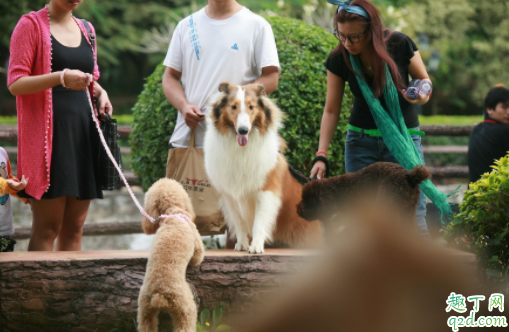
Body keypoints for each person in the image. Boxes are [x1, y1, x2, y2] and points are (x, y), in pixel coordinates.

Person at [310, 0, 438, 239]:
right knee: (362, 218)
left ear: (372, 30)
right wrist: (321, 154)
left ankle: (418, 274)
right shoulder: (339, 58)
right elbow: (331, 110)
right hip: (361, 144)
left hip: (403, 140)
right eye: (341, 36)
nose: (347, 43)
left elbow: (425, 81)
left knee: (412, 214)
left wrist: (420, 96)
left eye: (355, 37)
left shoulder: (399, 44)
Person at [7, 0, 113, 251]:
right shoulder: (30, 25)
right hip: (48, 142)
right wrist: (61, 77)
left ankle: (68, 291)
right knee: (47, 228)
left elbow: (90, 77)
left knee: (75, 227)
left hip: (82, 136)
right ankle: (37, 290)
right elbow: (15, 82)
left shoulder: (87, 29)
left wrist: (101, 91)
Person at [162, 0, 280, 150]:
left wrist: (235, 99)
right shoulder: (186, 26)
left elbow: (271, 77)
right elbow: (170, 77)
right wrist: (184, 107)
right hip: (189, 141)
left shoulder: (257, 25)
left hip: (237, 146)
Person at [468, 85, 509, 183]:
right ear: (489, 109)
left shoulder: (476, 130)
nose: (508, 112)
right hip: (496, 194)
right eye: (504, 107)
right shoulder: (504, 131)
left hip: (474, 193)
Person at [0, 147, 28, 252]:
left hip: (3, 230)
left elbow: (8, 179)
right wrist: (8, 185)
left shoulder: (1, 152)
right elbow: (5, 183)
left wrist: (24, 196)